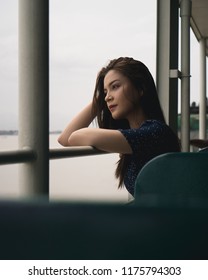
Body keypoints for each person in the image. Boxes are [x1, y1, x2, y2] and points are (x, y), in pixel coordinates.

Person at [58, 57, 181, 197]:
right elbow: (64, 139)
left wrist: (99, 102)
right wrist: (101, 99)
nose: (107, 98)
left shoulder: (154, 132)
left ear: (140, 88)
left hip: (164, 218)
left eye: (115, 86)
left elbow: (72, 137)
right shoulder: (140, 134)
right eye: (105, 92)